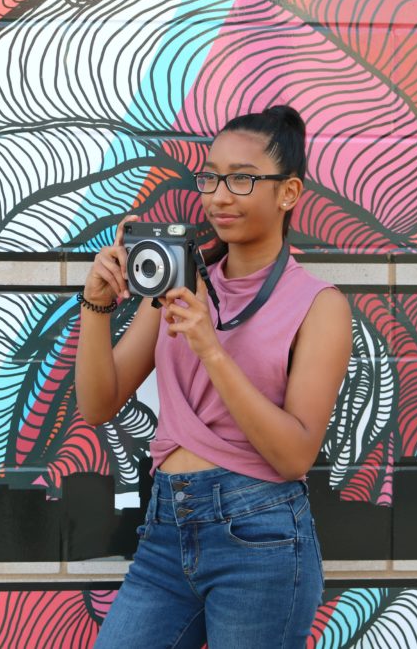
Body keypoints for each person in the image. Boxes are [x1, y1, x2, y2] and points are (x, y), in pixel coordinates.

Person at [76, 105, 353, 648]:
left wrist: (210, 346)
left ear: (289, 193)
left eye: (242, 179)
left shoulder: (319, 306)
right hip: (165, 529)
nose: (219, 195)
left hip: (261, 537)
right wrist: (96, 304)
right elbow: (98, 404)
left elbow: (294, 455)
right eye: (210, 177)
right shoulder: (180, 281)